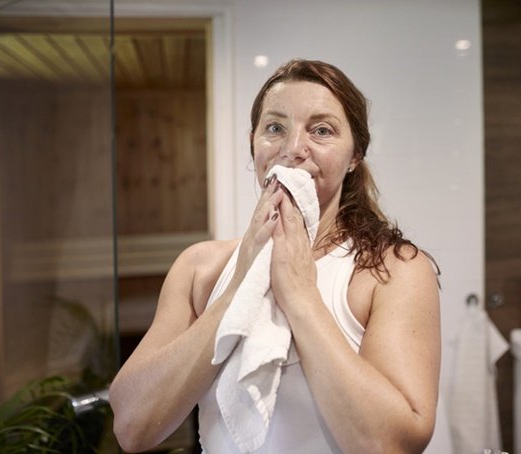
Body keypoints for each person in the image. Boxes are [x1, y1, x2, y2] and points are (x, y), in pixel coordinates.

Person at [109, 59, 441, 453]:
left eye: (321, 130)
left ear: (355, 156)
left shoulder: (393, 271)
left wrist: (300, 295)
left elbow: (394, 444)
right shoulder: (201, 268)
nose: (292, 149)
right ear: (254, 142)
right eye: (275, 128)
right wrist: (239, 285)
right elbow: (131, 427)